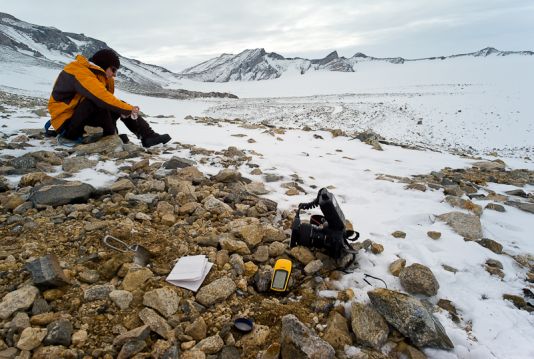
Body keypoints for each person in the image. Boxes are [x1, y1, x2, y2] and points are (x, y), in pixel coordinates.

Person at [47, 48, 171, 147]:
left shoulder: (100, 76)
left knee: (117, 106)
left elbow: (107, 105)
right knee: (99, 102)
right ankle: (108, 136)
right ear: (103, 65)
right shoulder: (79, 72)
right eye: (113, 69)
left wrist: (124, 110)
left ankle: (148, 137)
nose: (114, 74)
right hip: (66, 125)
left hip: (78, 118)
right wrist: (128, 109)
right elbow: (102, 98)